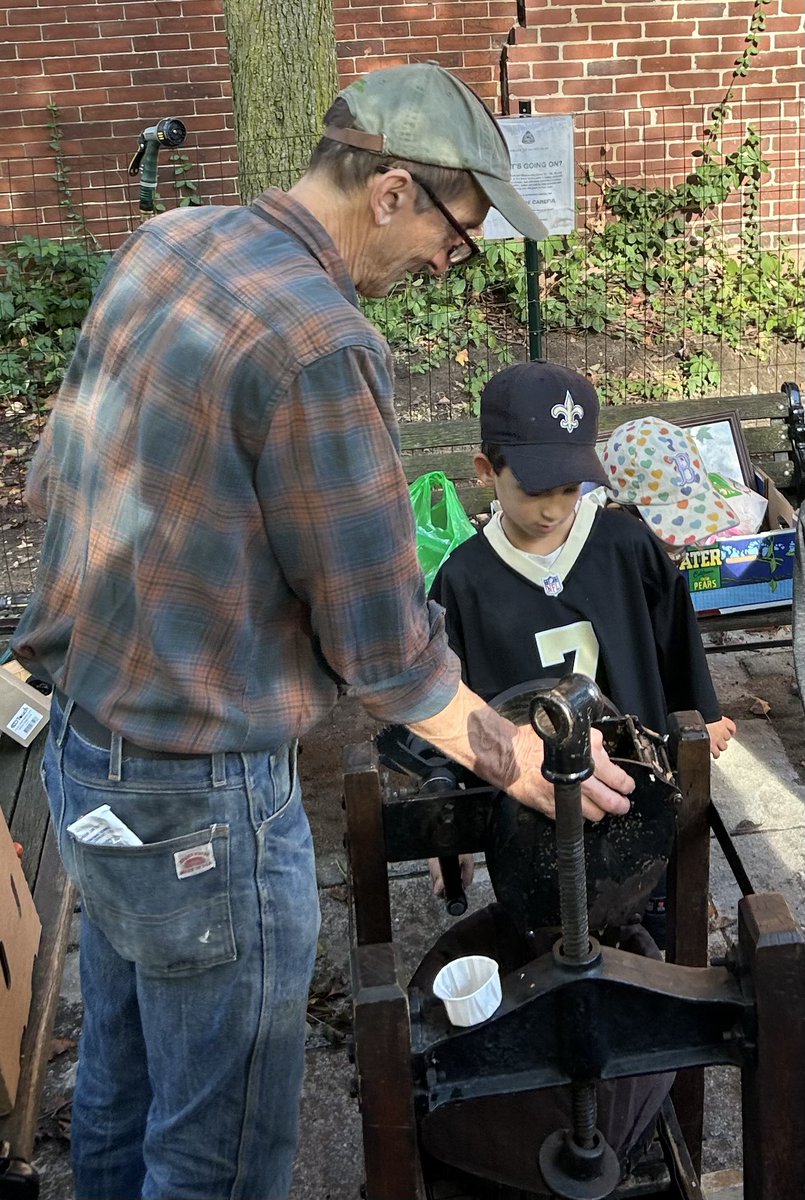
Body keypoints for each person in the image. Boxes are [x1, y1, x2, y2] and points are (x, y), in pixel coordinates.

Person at [10, 65, 634, 1200]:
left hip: (87, 753)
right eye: (461, 228)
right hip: (204, 807)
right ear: (391, 189)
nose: (458, 259)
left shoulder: (167, 244)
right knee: (219, 1156)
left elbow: (67, 479)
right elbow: (385, 651)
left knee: (120, 1089)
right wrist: (525, 764)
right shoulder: (322, 342)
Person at [428, 361, 736, 905]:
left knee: (651, 909)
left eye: (570, 488)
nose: (553, 508)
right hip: (527, 800)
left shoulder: (625, 546)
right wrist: (448, 809)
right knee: (539, 927)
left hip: (637, 781)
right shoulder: (463, 579)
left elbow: (674, 632)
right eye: (535, 489)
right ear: (484, 470)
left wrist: (701, 713)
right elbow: (448, 695)